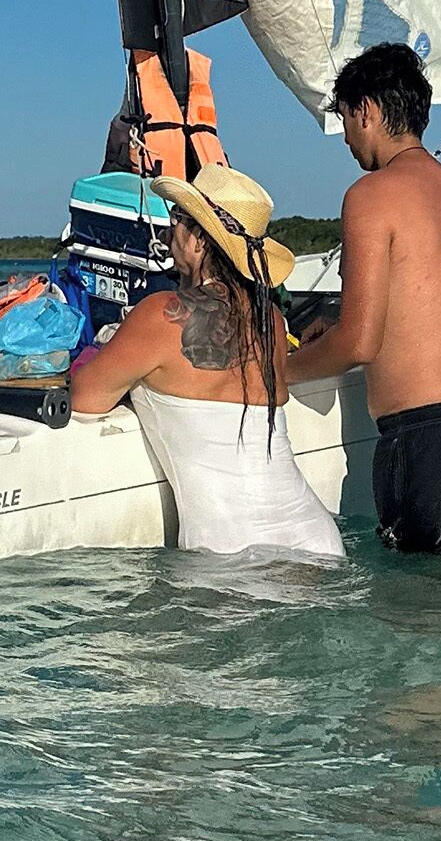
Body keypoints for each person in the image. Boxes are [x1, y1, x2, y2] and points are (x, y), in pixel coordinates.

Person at [286, 42, 441, 554]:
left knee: (414, 624)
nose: (348, 141)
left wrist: (281, 369)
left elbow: (359, 343)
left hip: (437, 445)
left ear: (367, 110)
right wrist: (336, 315)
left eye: (346, 123)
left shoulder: (372, 194)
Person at [67, 162, 342, 565]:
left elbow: (84, 398)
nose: (167, 231)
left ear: (199, 240)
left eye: (176, 219)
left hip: (230, 553)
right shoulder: (272, 320)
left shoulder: (161, 315)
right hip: (317, 538)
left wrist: (111, 345)